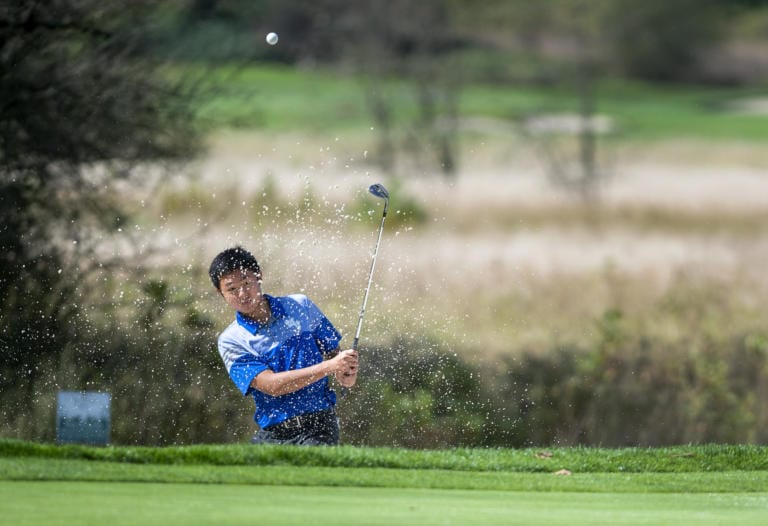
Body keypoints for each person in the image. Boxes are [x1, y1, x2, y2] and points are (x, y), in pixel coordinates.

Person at [208, 246, 358, 445]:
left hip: (319, 427)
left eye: (246, 283)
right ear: (221, 293)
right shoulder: (231, 340)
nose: (243, 294)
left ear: (258, 276)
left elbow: (334, 354)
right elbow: (271, 386)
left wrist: (346, 372)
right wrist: (330, 367)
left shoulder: (301, 306)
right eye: (232, 289)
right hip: (273, 433)